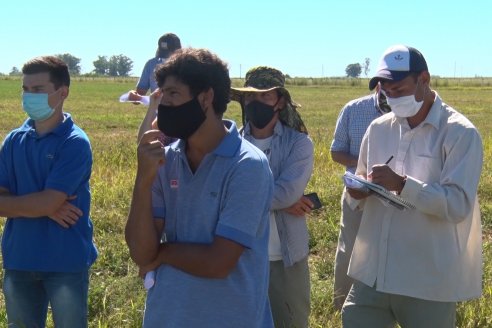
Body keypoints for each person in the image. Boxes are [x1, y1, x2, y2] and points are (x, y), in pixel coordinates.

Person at [125, 48, 275, 327]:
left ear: (206, 98)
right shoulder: (165, 161)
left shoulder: (247, 166)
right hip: (167, 316)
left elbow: (219, 262)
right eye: (162, 96)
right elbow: (141, 253)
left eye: (173, 94)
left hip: (230, 317)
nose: (163, 106)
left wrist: (165, 252)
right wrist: (143, 178)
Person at [342, 45, 483, 327]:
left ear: (424, 80)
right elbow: (358, 182)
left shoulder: (459, 133)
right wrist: (356, 192)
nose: (393, 97)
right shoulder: (379, 129)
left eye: (400, 89)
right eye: (386, 91)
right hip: (374, 272)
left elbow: (457, 205)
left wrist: (403, 184)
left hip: (426, 281)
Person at [0, 56, 98, 327]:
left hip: (64, 260)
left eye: (38, 89)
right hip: (19, 258)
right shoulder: (13, 140)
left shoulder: (75, 143)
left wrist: (39, 204)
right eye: (25, 89)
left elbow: (48, 201)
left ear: (62, 92)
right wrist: (44, 206)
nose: (29, 96)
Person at [231, 66, 314, 328]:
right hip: (237, 257)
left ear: (280, 101)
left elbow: (287, 192)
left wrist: (243, 197)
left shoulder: (298, 143)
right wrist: (279, 203)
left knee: (290, 322)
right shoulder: (231, 143)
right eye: (250, 97)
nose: (256, 102)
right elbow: (217, 192)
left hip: (284, 258)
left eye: (265, 96)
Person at [330, 84, 390, 310]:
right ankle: (341, 306)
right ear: (377, 85)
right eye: (385, 84)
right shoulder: (353, 109)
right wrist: (364, 167)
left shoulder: (409, 111)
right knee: (351, 249)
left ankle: (387, 306)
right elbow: (336, 152)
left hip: (395, 193)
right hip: (358, 193)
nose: (389, 91)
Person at [132, 33, 182, 143]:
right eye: (164, 54)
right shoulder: (151, 64)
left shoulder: (186, 66)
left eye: (169, 54)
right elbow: (139, 95)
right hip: (158, 122)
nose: (166, 58)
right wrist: (133, 96)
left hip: (181, 120)